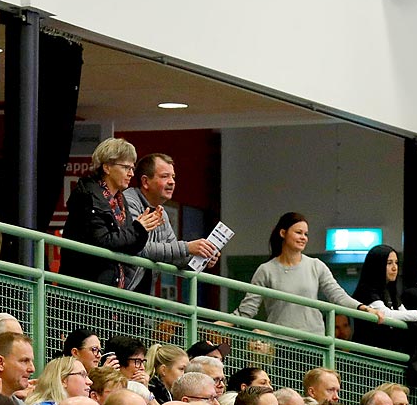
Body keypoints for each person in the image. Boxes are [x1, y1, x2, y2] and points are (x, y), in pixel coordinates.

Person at [237, 212, 369, 337]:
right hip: (281, 341)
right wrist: (226, 322)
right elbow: (248, 308)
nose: (303, 238)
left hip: (314, 340)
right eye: (298, 232)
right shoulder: (266, 270)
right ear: (283, 233)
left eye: (306, 234)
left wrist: (362, 307)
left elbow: (338, 296)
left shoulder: (316, 265)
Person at [60, 137, 157, 289]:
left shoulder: (120, 199)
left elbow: (128, 245)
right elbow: (103, 241)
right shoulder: (88, 196)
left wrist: (141, 231)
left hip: (109, 288)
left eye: (132, 168)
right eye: (126, 167)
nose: (131, 173)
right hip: (86, 290)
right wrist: (138, 228)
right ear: (107, 168)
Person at [121, 151, 219, 294]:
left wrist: (201, 257)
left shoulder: (163, 214)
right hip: (119, 294)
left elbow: (175, 256)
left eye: (173, 177)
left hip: (142, 299)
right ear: (145, 182)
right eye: (164, 176)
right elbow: (138, 248)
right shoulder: (128, 202)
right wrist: (187, 247)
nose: (172, 182)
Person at [351, 244, 417, 352]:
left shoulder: (391, 291)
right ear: (377, 265)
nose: (394, 268)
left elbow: (403, 313)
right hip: (368, 355)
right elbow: (385, 315)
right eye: (389, 263)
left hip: (386, 354)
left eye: (396, 263)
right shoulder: (366, 290)